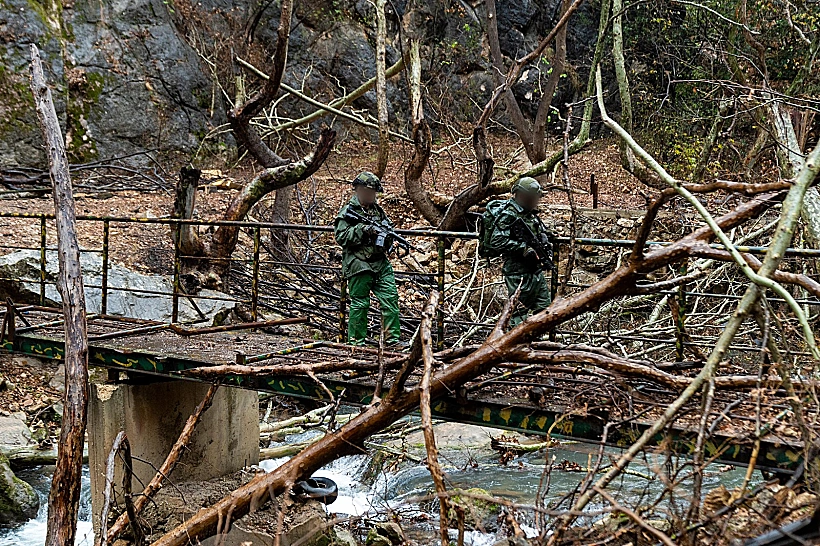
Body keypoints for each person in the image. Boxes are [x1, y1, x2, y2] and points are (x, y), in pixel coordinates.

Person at [334, 171, 404, 347]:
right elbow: (341, 237)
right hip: (359, 262)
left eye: (372, 192)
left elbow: (387, 227)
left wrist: (389, 240)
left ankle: (391, 341)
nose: (370, 195)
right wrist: (362, 230)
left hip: (379, 262)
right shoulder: (348, 212)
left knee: (390, 298)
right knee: (360, 304)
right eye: (367, 191)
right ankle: (357, 343)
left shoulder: (376, 210)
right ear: (358, 190)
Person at [485, 176, 553, 326]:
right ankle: (514, 346)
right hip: (518, 273)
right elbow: (497, 240)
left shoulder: (528, 213)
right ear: (523, 196)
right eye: (533, 197)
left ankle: (536, 343)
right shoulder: (509, 214)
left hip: (534, 270)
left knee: (544, 310)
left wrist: (546, 237)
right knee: (518, 315)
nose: (536, 200)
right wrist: (523, 249)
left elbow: (535, 231)